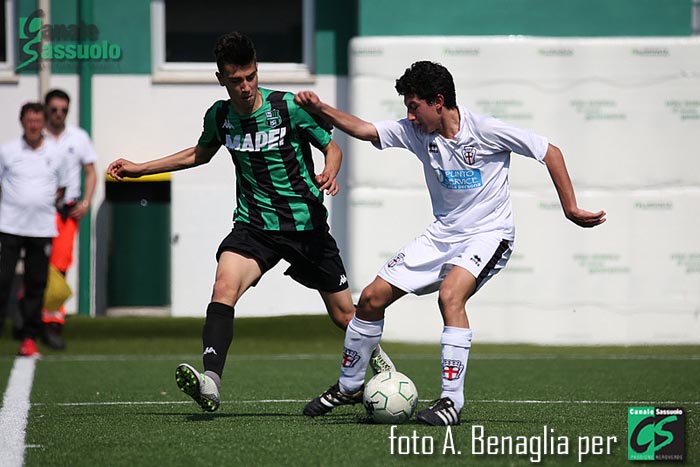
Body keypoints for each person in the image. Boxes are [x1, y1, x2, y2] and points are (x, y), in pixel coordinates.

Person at [295, 61, 606, 425]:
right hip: (442, 234)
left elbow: (549, 151)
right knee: (369, 299)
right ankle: (349, 385)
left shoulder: (486, 130)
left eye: (414, 106)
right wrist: (320, 109)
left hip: (489, 234)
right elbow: (364, 130)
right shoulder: (416, 131)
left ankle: (450, 403)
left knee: (450, 296)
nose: (409, 115)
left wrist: (570, 208)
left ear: (438, 101)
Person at [107, 31, 394, 413]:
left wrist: (330, 169)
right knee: (223, 286)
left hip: (306, 227)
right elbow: (199, 153)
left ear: (257, 72)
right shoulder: (220, 116)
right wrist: (142, 168)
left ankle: (382, 367)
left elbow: (333, 146)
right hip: (254, 226)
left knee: (345, 315)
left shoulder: (288, 107)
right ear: (221, 79)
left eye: (251, 77)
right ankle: (211, 382)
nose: (245, 87)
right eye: (236, 79)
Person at [0, 103, 67, 357]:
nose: (34, 125)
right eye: (30, 120)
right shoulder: (7, 151)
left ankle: (29, 337)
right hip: (9, 226)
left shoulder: (56, 154)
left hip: (41, 228)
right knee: (3, 280)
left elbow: (62, 188)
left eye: (38, 121)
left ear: (43, 123)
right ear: (22, 122)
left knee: (36, 283)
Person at [38, 89, 97, 350]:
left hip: (66, 211)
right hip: (38, 210)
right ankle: (32, 319)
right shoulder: (37, 138)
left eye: (63, 110)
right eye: (54, 110)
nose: (59, 114)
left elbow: (91, 171)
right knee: (36, 264)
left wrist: (86, 202)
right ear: (46, 110)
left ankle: (52, 322)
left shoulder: (78, 137)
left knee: (59, 267)